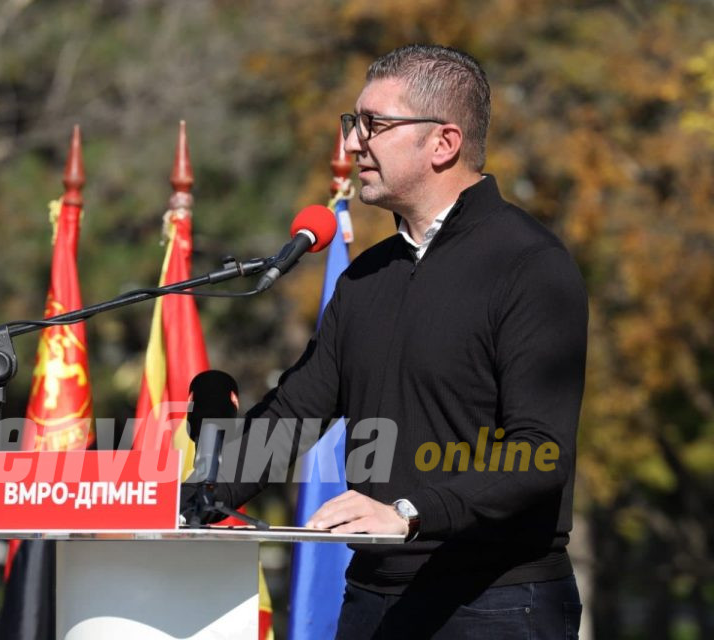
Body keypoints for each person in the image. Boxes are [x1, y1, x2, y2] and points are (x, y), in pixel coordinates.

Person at [186, 44, 587, 639]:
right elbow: (296, 414)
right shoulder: (366, 277)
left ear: (443, 143)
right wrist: (193, 498)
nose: (353, 144)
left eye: (374, 125)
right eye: (354, 124)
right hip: (373, 599)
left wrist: (408, 514)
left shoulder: (529, 265)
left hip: (497, 603)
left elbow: (539, 452)